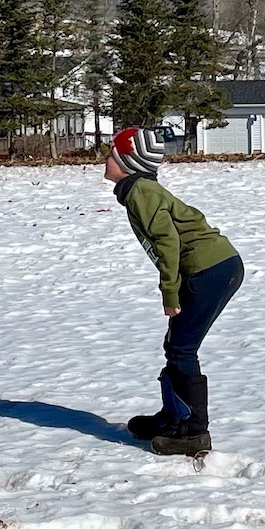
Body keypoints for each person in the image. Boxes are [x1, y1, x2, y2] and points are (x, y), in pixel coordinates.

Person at [106, 125, 243, 458]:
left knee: (182, 348)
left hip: (210, 270)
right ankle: (173, 418)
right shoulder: (138, 190)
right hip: (213, 269)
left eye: (111, 152)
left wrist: (169, 292)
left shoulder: (141, 191)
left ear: (128, 161)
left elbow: (168, 242)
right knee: (176, 344)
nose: (105, 157)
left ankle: (194, 433)